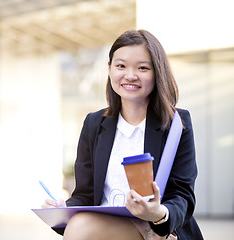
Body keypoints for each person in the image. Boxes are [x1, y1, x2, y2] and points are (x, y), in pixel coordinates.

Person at [42, 29, 203, 240]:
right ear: (109, 69)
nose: (130, 75)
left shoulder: (175, 123)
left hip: (156, 231)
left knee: (81, 227)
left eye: (142, 68)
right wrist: (63, 209)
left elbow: (182, 194)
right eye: (121, 66)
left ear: (157, 72)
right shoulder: (94, 124)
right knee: (79, 225)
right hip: (103, 226)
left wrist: (159, 214)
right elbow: (85, 195)